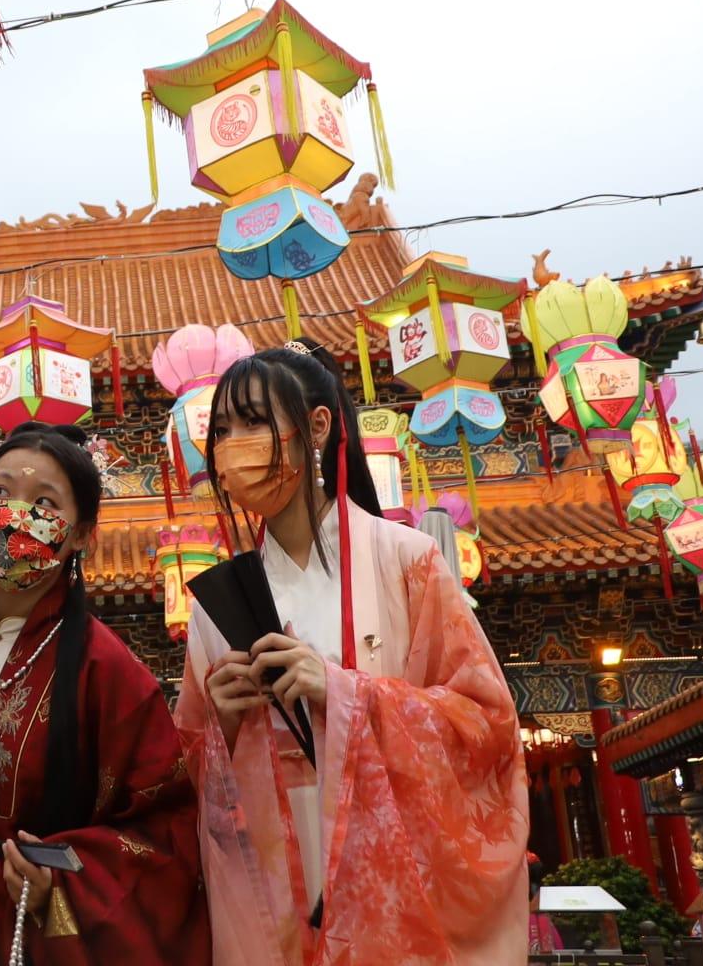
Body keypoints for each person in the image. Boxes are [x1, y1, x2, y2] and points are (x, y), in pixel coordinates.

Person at [173, 341, 529, 965]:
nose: (234, 444)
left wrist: (343, 692)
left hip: (391, 871)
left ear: (317, 426)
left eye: (255, 422)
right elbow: (182, 774)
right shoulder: (215, 604)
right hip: (272, 884)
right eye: (223, 429)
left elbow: (487, 726)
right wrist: (223, 727)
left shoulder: (405, 560)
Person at [0, 421, 209, 966]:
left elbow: (164, 829)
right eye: (0, 492)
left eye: (43, 501)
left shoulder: (108, 670)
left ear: (82, 533)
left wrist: (60, 879)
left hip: (30, 930)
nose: (16, 513)